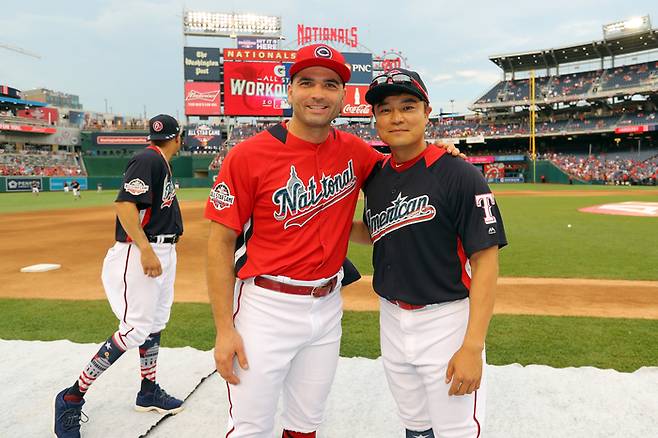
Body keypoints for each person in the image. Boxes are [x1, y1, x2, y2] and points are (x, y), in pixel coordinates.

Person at [205, 44, 462, 438]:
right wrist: (224, 328)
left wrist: (441, 151)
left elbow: (405, 168)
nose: (318, 93)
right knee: (249, 427)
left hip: (326, 307)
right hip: (265, 306)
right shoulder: (247, 155)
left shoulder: (354, 151)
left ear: (344, 96)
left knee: (306, 423)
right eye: (307, 82)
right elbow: (219, 243)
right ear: (290, 91)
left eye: (330, 84)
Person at [349, 69, 507, 438]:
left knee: (457, 430)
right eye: (385, 109)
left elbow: (486, 262)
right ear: (375, 119)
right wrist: (323, 223)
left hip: (446, 320)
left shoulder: (460, 175)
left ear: (427, 111)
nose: (397, 117)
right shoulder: (376, 176)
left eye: (408, 106)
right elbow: (380, 232)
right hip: (391, 316)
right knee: (416, 426)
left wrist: (472, 345)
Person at [53, 114, 185, 438]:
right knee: (135, 329)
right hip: (139, 253)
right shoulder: (147, 159)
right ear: (178, 138)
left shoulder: (158, 161)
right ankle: (71, 398)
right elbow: (125, 206)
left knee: (154, 323)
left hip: (162, 250)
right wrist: (146, 250)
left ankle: (148, 391)